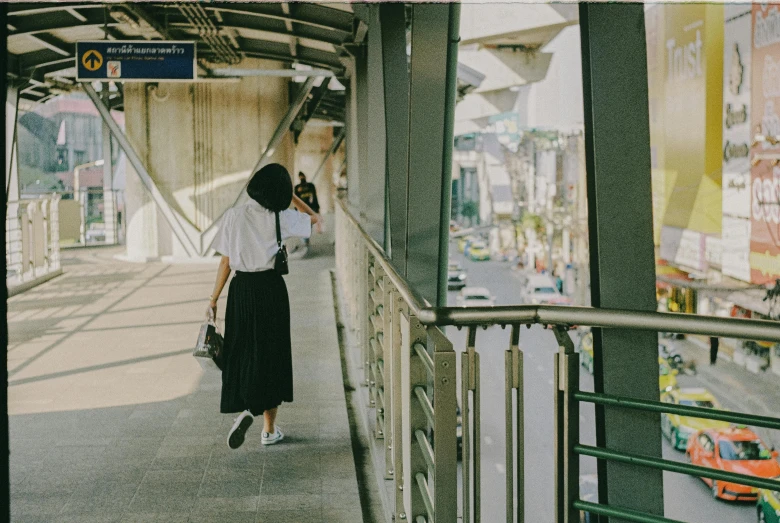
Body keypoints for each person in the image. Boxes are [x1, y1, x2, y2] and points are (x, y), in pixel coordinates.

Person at [209, 163, 321, 449]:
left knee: (243, 350)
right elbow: (315, 219)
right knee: (273, 355)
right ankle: (268, 429)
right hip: (271, 290)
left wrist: (213, 299)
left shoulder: (234, 216)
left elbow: (225, 261)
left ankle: (248, 405)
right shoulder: (281, 218)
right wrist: (291, 198)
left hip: (242, 289)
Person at [294, 172, 319, 248]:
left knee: (309, 224)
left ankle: (306, 239)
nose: (302, 179)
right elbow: (296, 200)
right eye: (301, 177)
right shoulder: (297, 188)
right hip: (301, 210)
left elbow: (314, 197)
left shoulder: (311, 186)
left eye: (303, 177)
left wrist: (317, 207)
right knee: (304, 224)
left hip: (310, 208)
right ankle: (305, 240)